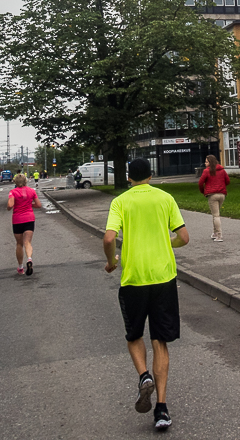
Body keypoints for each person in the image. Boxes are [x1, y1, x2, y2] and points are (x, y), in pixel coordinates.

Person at [103, 158, 189, 432]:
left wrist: (111, 261)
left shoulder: (121, 202)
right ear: (151, 175)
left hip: (134, 279)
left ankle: (143, 377)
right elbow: (184, 237)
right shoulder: (165, 198)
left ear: (129, 178)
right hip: (163, 278)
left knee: (134, 335)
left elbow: (108, 238)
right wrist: (168, 243)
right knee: (160, 340)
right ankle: (162, 410)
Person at [7, 173, 42, 275]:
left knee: (19, 243)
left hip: (17, 220)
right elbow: (39, 205)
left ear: (15, 182)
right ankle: (29, 259)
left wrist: (8, 208)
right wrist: (30, 206)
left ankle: (21, 267)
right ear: (26, 181)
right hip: (29, 218)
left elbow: (10, 204)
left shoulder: (13, 192)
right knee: (28, 242)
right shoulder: (32, 191)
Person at [197, 154, 229, 242]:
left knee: (216, 215)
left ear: (210, 162)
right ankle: (215, 232)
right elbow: (228, 181)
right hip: (222, 194)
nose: (205, 163)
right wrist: (222, 186)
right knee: (216, 214)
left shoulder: (206, 171)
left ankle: (219, 235)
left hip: (212, 195)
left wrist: (203, 191)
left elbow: (200, 183)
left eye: (206, 162)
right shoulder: (222, 170)